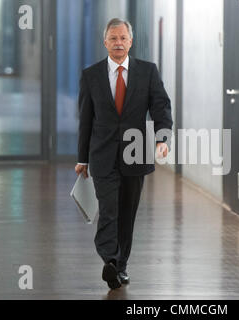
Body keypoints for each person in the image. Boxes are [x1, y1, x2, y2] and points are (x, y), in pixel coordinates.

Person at [75, 18, 173, 290]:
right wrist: (82, 158)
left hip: (135, 153)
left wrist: (163, 138)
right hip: (102, 155)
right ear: (104, 42)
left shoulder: (147, 72)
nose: (118, 43)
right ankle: (109, 258)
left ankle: (120, 266)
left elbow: (161, 107)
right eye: (113, 38)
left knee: (127, 212)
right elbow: (85, 119)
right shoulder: (91, 75)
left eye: (123, 38)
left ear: (131, 41)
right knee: (109, 209)